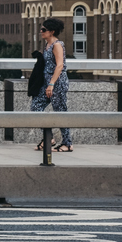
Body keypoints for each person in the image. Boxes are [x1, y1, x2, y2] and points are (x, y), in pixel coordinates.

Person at [31, 17, 73, 153]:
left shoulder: (57, 45)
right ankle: (48, 138)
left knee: (60, 112)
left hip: (57, 83)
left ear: (52, 31)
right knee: (35, 107)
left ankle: (67, 143)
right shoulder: (48, 45)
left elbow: (60, 65)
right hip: (47, 83)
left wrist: (51, 84)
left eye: (44, 30)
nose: (41, 32)